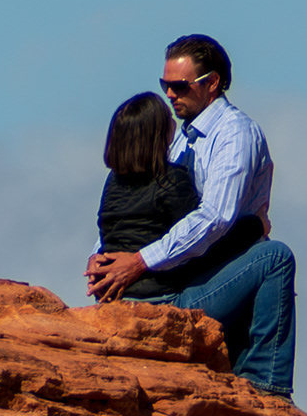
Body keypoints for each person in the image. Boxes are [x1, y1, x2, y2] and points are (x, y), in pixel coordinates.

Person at [84, 34, 296, 394]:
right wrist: (101, 255)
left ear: (212, 83)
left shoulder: (233, 133)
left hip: (208, 265)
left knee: (267, 255)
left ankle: (261, 386)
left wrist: (137, 261)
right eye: (164, 85)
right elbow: (146, 207)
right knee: (275, 256)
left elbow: (214, 218)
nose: (170, 95)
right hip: (177, 280)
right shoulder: (180, 140)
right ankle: (267, 384)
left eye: (179, 86)